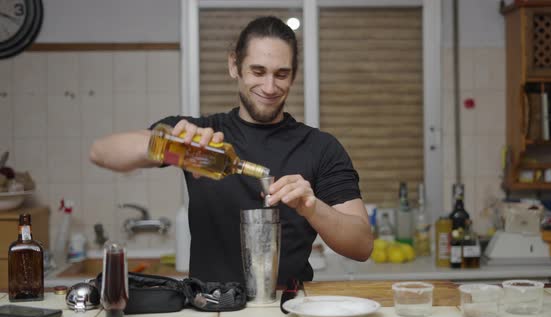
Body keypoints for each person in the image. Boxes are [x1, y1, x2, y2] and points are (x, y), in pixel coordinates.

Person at [90, 16, 373, 285]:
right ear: (234, 66)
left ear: (293, 76)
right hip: (210, 310)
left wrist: (312, 208)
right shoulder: (201, 137)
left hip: (288, 309)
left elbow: (361, 246)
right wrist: (169, 146)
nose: (270, 86)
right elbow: (101, 152)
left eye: (281, 74)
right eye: (258, 71)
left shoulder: (320, 148)